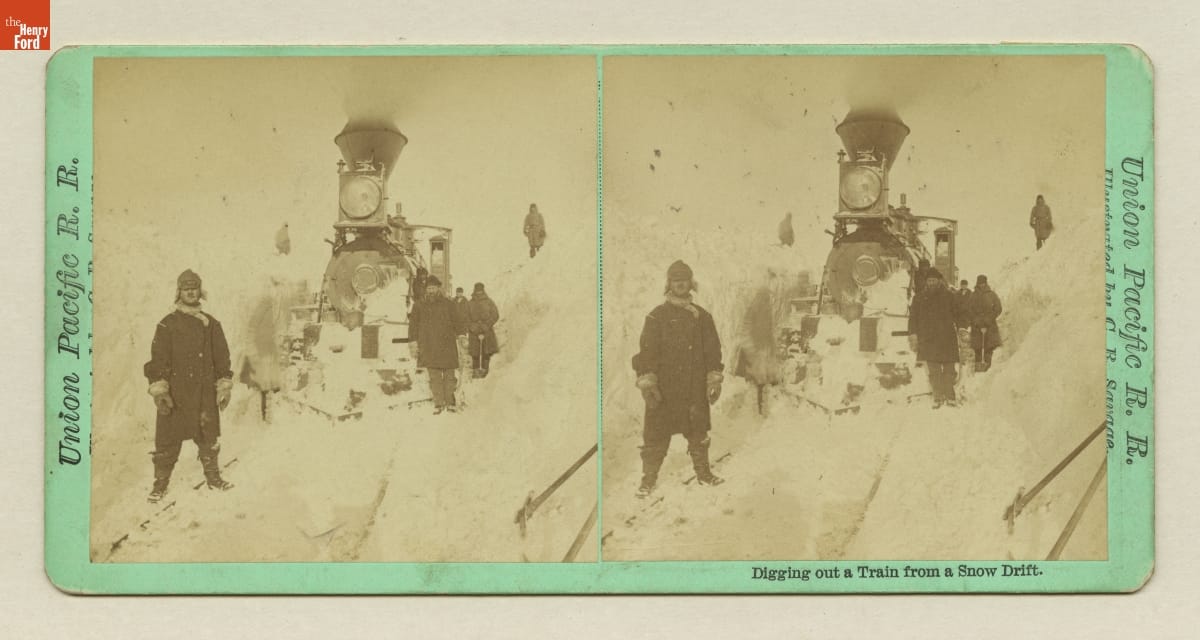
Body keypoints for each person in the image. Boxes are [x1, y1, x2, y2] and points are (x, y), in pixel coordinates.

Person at [631, 260, 725, 498]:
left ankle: (703, 473)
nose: (680, 284)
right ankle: (648, 480)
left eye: (684, 279)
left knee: (698, 432)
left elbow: (713, 351)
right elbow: (647, 352)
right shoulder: (656, 316)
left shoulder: (702, 317)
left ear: (691, 283)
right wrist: (648, 382)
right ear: (669, 284)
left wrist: (713, 378)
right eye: (675, 280)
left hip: (693, 388)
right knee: (655, 437)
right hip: (665, 389)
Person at [143, 269, 235, 503]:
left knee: (208, 436)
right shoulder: (167, 324)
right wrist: (160, 391)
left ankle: (213, 478)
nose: (191, 292)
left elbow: (222, 358)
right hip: (177, 393)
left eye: (194, 288)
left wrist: (223, 386)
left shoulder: (211, 324)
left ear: (200, 291)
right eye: (186, 289)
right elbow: (158, 359)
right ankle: (160, 484)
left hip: (204, 392)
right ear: (179, 292)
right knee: (167, 441)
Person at [409, 275, 467, 414]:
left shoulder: (449, 304)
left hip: (447, 345)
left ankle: (450, 402)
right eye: (429, 288)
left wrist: (462, 335)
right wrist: (413, 341)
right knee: (434, 377)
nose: (431, 291)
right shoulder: (419, 305)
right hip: (428, 345)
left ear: (438, 288)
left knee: (449, 376)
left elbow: (457, 321)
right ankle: (439, 403)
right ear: (425, 289)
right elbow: (413, 325)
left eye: (433, 288)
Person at [907, 270, 960, 408]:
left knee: (949, 370)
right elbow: (913, 318)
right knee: (933, 371)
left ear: (939, 281)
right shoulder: (919, 298)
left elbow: (959, 314)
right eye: (929, 280)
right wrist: (913, 334)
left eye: (934, 280)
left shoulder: (949, 296)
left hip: (946, 338)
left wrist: (962, 328)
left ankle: (950, 396)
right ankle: (938, 396)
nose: (931, 283)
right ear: (926, 282)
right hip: (928, 339)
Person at [968, 274, 1003, 371]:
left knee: (989, 348)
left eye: (983, 283)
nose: (982, 285)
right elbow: (969, 310)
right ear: (977, 284)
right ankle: (978, 369)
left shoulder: (992, 295)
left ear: (986, 283)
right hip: (976, 327)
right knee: (978, 349)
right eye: (980, 284)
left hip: (990, 326)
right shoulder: (973, 295)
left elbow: (998, 308)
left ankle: (988, 369)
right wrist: (976, 320)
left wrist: (989, 319)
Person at [466, 282, 500, 378]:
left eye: (481, 291)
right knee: (475, 353)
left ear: (483, 290)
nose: (479, 293)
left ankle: (486, 372)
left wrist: (487, 325)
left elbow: (495, 315)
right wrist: (473, 327)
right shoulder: (470, 303)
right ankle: (476, 372)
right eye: (477, 291)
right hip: (474, 332)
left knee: (486, 352)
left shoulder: (489, 302)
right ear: (474, 291)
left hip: (487, 331)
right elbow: (465, 317)